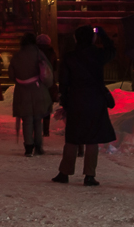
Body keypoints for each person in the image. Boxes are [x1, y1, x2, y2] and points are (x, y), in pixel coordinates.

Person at [53, 25, 116, 187]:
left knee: (72, 137)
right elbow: (112, 51)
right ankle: (89, 174)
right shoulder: (97, 55)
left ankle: (64, 172)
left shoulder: (70, 57)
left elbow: (64, 81)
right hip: (95, 98)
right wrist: (104, 35)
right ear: (92, 38)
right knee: (92, 138)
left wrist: (65, 101)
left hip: (76, 98)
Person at [10, 32, 52, 156]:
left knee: (27, 119)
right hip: (38, 89)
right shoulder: (39, 54)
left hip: (22, 91)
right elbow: (47, 73)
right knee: (37, 119)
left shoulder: (17, 56)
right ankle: (38, 146)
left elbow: (11, 75)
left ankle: (28, 146)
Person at [37, 33, 58, 137]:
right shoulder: (51, 52)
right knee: (47, 108)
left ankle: (36, 128)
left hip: (37, 83)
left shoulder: (35, 52)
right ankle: (46, 130)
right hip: (49, 83)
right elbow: (55, 68)